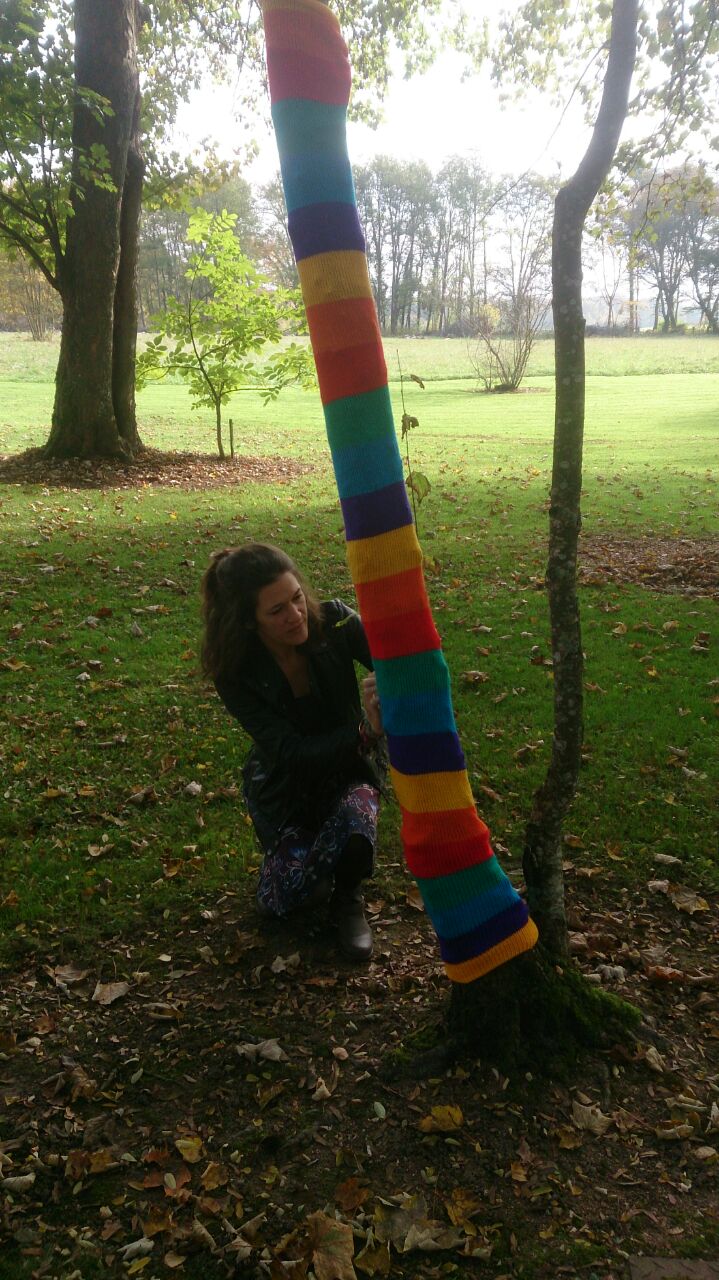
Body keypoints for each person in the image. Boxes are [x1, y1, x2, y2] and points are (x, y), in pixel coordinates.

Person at [201, 542, 386, 962]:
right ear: (249, 622)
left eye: (297, 597)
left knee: (356, 821)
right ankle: (301, 877)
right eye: (277, 610)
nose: (296, 614)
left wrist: (389, 683)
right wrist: (364, 731)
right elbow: (290, 753)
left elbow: (400, 660)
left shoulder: (336, 621)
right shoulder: (234, 672)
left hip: (349, 770)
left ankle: (349, 899)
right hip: (284, 788)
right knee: (296, 895)